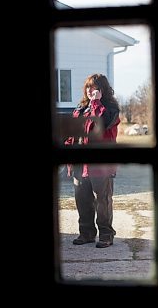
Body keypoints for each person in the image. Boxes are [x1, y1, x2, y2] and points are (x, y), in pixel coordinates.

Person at [64, 73, 121, 248]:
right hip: (81, 163)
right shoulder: (80, 110)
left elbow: (100, 125)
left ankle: (106, 234)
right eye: (88, 87)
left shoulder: (111, 109)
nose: (90, 90)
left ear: (102, 89)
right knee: (82, 199)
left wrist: (96, 103)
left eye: (94, 87)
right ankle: (86, 233)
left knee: (102, 200)